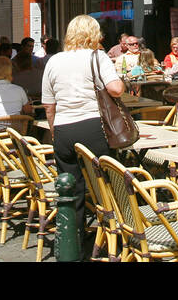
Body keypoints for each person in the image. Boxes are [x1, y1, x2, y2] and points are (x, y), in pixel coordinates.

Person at [41, 14, 124, 240]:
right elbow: (115, 89)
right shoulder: (98, 57)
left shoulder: (54, 61)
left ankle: (72, 240)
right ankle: (115, 234)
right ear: (94, 34)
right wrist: (122, 82)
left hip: (64, 129)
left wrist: (54, 129)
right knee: (107, 181)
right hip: (94, 126)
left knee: (71, 188)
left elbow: (49, 104)